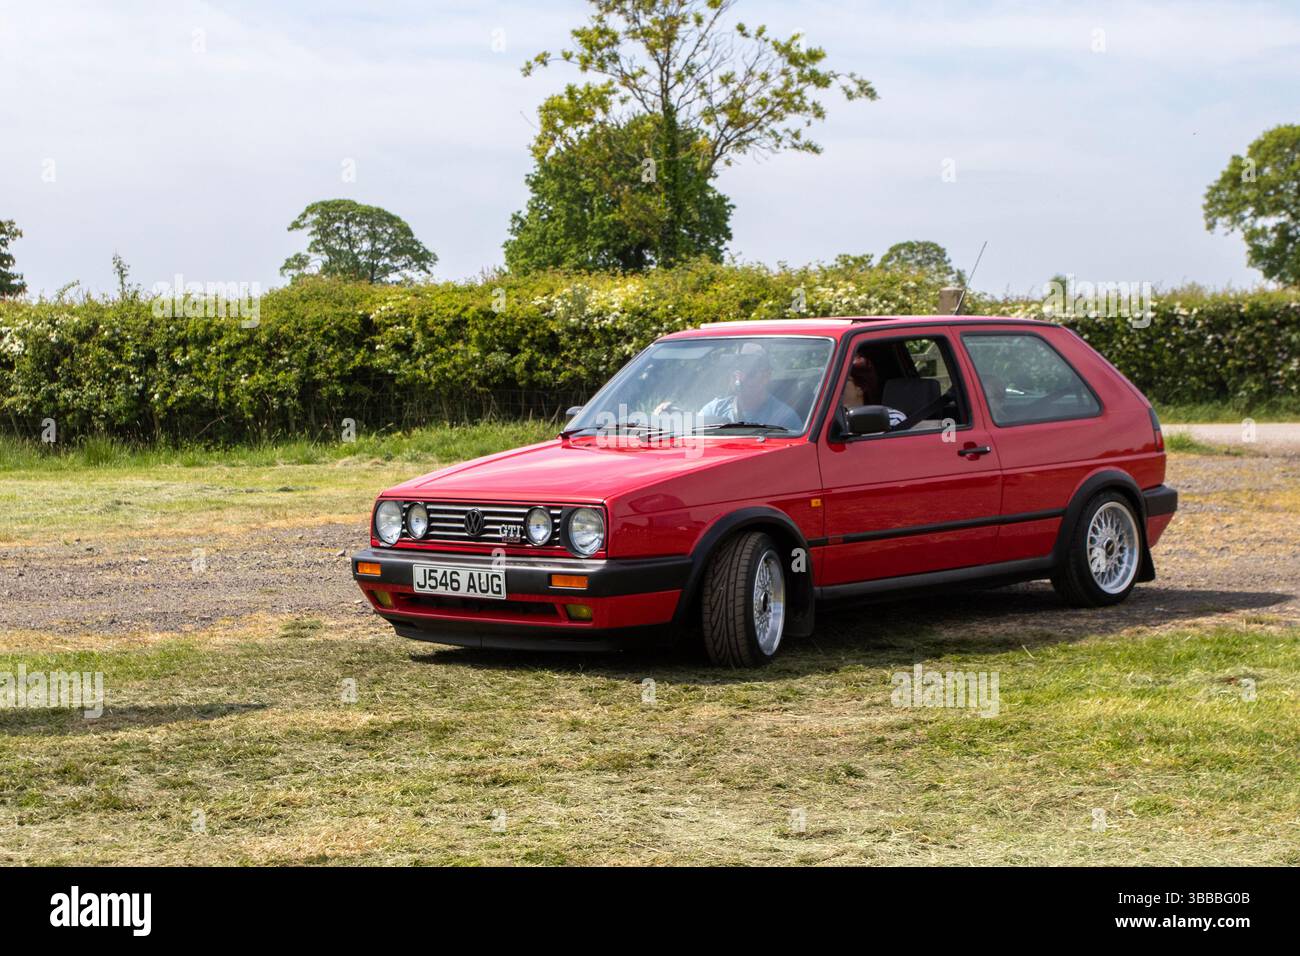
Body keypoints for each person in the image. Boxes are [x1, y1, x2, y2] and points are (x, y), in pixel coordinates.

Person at [697, 345, 803, 432]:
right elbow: (692, 439)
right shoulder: (714, 410)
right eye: (736, 371)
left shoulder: (784, 417)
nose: (739, 378)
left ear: (766, 376)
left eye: (750, 372)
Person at [841, 350, 907, 428]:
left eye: (844, 380)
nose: (837, 386)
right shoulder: (827, 420)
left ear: (861, 388)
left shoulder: (891, 419)